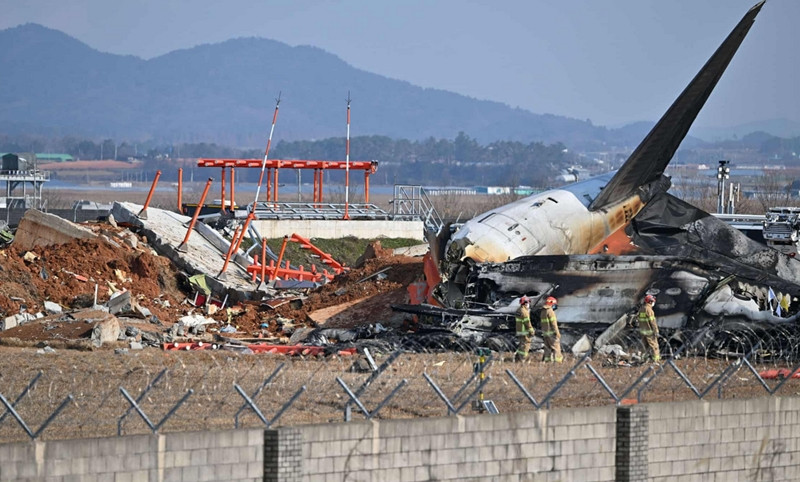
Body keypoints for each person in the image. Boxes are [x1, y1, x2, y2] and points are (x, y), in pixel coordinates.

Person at [638, 294, 661, 362]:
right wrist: (656, 331)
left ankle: (644, 359)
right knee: (654, 346)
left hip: (643, 331)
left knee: (645, 347)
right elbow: (653, 322)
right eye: (653, 301)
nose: (654, 302)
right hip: (649, 332)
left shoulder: (641, 309)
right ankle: (656, 361)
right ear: (650, 302)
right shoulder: (649, 310)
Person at [540, 296, 563, 363]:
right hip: (552, 333)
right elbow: (554, 324)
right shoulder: (550, 311)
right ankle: (558, 361)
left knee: (547, 348)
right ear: (551, 304)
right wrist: (557, 332)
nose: (555, 306)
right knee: (556, 347)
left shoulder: (543, 311)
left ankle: (547, 361)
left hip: (545, 333)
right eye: (554, 304)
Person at [514, 296, 533, 362]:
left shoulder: (518, 310)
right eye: (528, 303)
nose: (529, 304)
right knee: (525, 346)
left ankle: (517, 358)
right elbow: (527, 323)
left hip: (519, 331)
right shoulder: (524, 312)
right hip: (525, 331)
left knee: (521, 345)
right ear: (525, 303)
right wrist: (531, 330)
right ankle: (523, 359)